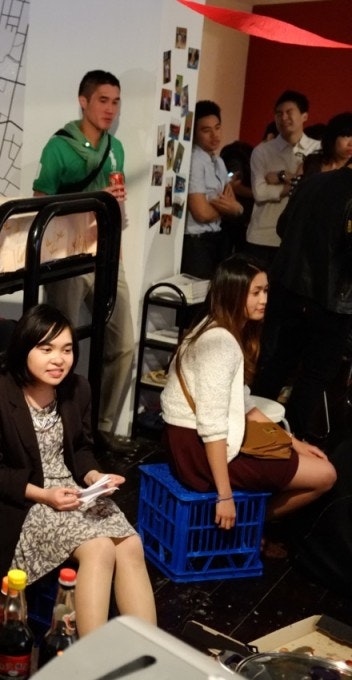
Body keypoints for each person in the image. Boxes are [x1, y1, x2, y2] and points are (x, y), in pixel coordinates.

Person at [0, 304, 156, 637]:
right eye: (47, 348)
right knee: (98, 548)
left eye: (67, 349)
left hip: (69, 489)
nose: (59, 359)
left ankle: (151, 655)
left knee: (129, 544)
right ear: (25, 349)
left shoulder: (77, 389)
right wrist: (45, 495)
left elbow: (80, 449)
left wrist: (95, 477)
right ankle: (86, 664)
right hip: (22, 502)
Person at [161, 256, 336, 528]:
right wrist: (225, 495)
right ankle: (251, 526)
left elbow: (245, 406)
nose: (264, 299)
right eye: (255, 293)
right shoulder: (220, 343)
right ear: (233, 293)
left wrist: (296, 444)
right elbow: (213, 426)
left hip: (193, 443)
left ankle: (249, 526)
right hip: (198, 451)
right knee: (326, 475)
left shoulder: (214, 327)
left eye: (265, 291)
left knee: (307, 461)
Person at [33, 69, 136, 454]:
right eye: (103, 100)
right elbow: (40, 204)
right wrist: (92, 201)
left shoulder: (116, 147)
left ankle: (100, 427)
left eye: (116, 101)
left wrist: (117, 240)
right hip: (65, 256)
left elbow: (118, 203)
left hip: (106, 254)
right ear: (84, 101)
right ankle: (51, 426)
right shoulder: (59, 147)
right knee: (58, 344)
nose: (110, 108)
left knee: (123, 343)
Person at [252, 157, 352, 443]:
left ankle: (249, 433)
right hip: (332, 299)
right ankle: (288, 444)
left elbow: (284, 227)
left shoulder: (313, 182)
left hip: (289, 288)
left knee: (277, 364)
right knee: (313, 375)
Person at [245, 91, 320, 271]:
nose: (283, 117)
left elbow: (313, 190)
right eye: (279, 113)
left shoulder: (317, 150)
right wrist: (295, 183)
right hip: (262, 236)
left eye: (289, 112)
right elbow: (260, 193)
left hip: (299, 237)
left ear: (304, 116)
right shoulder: (262, 151)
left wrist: (280, 176)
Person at [182, 101, 245, 280]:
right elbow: (201, 212)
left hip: (217, 238)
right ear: (195, 133)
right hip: (197, 242)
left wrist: (230, 207)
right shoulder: (195, 160)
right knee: (197, 299)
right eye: (206, 130)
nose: (214, 135)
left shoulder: (219, 161)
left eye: (217, 128)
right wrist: (230, 209)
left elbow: (230, 199)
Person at [298, 112, 352, 180]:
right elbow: (298, 188)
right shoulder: (313, 162)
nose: (351, 143)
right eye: (347, 136)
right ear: (332, 137)